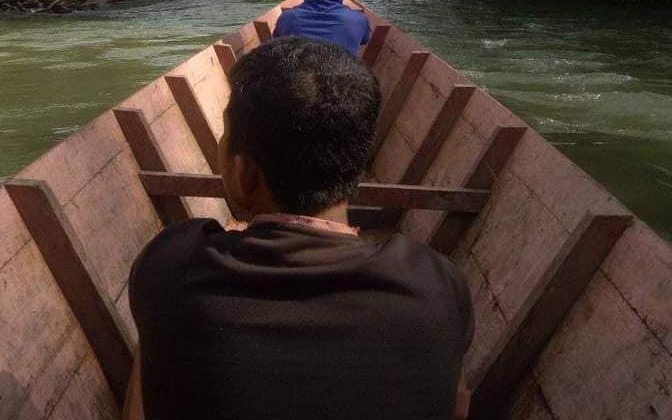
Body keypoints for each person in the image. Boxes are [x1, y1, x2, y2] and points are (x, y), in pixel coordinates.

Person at [127, 38, 474, 420]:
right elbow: (457, 408)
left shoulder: (170, 264)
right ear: (358, 163)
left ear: (244, 174)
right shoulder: (436, 283)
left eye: (225, 136)